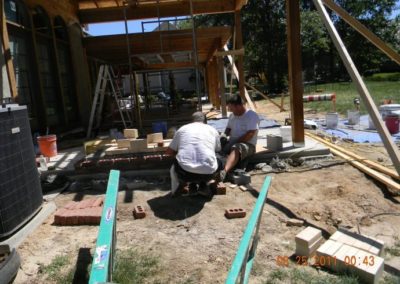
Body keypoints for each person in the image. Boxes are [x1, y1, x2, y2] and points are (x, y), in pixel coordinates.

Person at [166, 112, 222, 196]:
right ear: (205, 121)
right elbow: (218, 149)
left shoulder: (182, 129)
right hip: (208, 174)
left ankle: (184, 186)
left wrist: (180, 154)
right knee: (218, 157)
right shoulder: (212, 130)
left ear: (192, 121)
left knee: (179, 160)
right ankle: (205, 185)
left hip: (185, 174)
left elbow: (169, 152)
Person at [219, 94, 260, 181]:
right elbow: (229, 128)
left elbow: (250, 134)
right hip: (233, 142)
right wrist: (224, 136)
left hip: (248, 144)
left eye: (231, 108)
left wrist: (234, 143)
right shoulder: (232, 116)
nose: (230, 111)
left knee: (236, 148)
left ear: (239, 106)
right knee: (219, 147)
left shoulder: (251, 116)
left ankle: (224, 172)